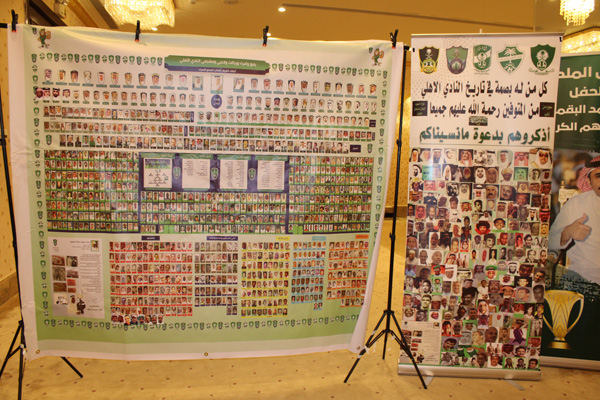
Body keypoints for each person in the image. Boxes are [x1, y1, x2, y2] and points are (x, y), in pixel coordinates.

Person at [549, 156, 600, 283]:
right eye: (598, 176)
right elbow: (550, 242)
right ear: (589, 181)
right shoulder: (576, 203)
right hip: (584, 279)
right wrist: (567, 232)